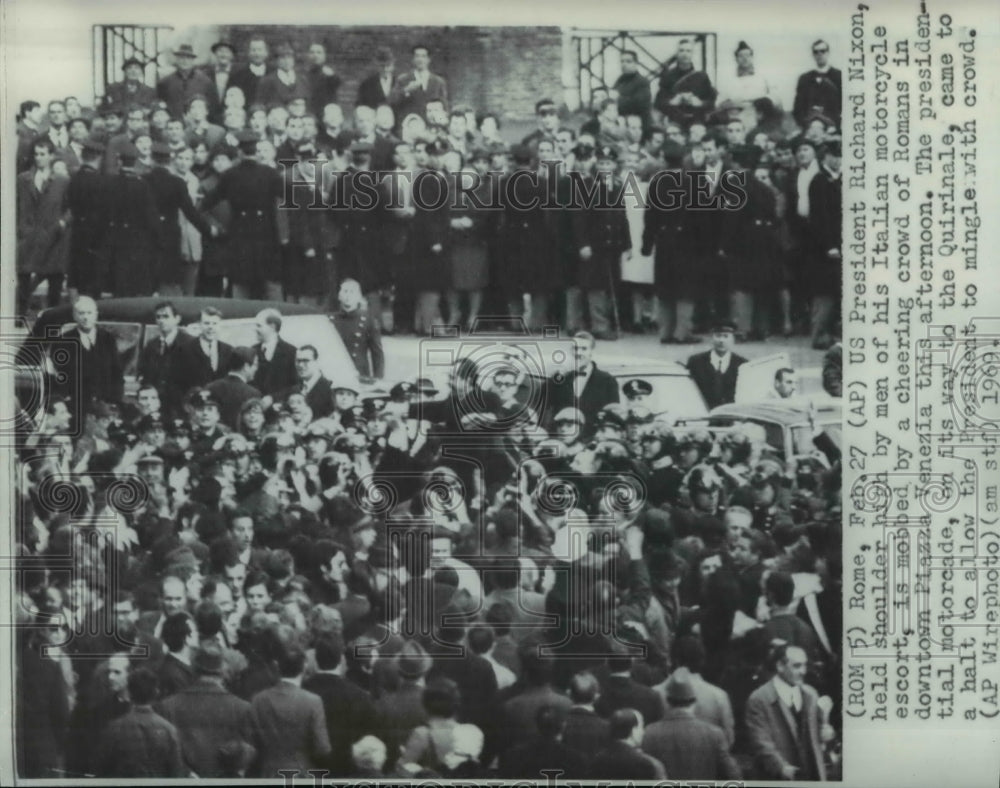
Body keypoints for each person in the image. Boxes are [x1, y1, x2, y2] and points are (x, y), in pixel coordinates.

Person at [200, 130, 285, 300]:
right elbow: (290, 197)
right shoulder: (270, 174)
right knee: (270, 284)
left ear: (239, 152)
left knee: (240, 283)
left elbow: (206, 203)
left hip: (240, 235)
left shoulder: (230, 176)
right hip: (266, 235)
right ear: (257, 151)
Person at [157, 641, 256, 778]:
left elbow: (163, 754)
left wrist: (187, 774)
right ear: (222, 670)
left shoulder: (167, 706)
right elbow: (247, 757)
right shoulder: (242, 708)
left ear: (193, 667)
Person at [569, 145, 632, 339]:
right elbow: (579, 218)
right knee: (594, 285)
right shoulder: (587, 185)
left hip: (611, 245)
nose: (605, 167)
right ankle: (599, 325)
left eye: (609, 163)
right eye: (602, 163)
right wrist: (583, 244)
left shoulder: (618, 185)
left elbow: (622, 217)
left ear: (614, 165)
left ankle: (607, 322)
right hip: (594, 244)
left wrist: (627, 243)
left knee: (609, 284)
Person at [745, 643, 831, 781]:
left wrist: (826, 732)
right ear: (780, 666)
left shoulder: (810, 694)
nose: (803, 671)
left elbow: (819, 734)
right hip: (777, 778)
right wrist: (781, 768)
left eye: (805, 665)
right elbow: (760, 742)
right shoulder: (759, 699)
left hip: (810, 776)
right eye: (797, 666)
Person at [249, 641, 331, 777]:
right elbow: (322, 747)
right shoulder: (313, 701)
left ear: (277, 666)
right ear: (304, 667)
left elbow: (251, 742)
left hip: (267, 772)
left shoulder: (258, 699)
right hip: (301, 773)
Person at [641, 671, 740, 780]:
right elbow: (732, 774)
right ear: (694, 702)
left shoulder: (649, 733)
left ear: (668, 701)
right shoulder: (714, 733)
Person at [145, 141, 212, 294]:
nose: (183, 162)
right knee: (170, 281)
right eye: (180, 158)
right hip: (174, 234)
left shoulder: (194, 181)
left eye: (187, 159)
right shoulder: (177, 182)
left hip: (185, 236)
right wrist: (208, 230)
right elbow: (191, 211)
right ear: (171, 160)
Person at [95, 668, 186, 777]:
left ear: (129, 692)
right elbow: (176, 772)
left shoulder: (114, 728)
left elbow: (101, 768)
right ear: (156, 692)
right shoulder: (168, 730)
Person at [16, 137, 70, 314]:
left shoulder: (61, 181)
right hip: (29, 237)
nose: (38, 158)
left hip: (53, 237)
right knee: (24, 282)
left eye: (42, 154)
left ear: (51, 156)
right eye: (36, 154)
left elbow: (71, 208)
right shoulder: (23, 179)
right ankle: (20, 320)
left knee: (54, 283)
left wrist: (62, 223)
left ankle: (52, 323)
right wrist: (21, 229)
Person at [55, 296, 124, 411]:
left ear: (96, 315)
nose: (86, 317)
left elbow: (117, 373)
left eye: (89, 313)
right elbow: (60, 375)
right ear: (74, 316)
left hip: (105, 405)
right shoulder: (64, 341)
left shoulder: (108, 339)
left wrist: (115, 401)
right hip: (75, 406)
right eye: (81, 313)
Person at [546, 331, 620, 428]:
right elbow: (541, 402)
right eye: (575, 348)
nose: (578, 353)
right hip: (562, 437)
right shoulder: (561, 379)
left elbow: (613, 416)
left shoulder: (607, 381)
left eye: (584, 349)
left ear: (592, 352)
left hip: (592, 438)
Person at [807, 141, 842, 349]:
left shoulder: (842, 179)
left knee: (838, 290)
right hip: (825, 248)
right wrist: (829, 245)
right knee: (824, 292)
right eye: (834, 155)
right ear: (825, 157)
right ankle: (819, 334)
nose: (838, 160)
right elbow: (820, 217)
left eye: (840, 156)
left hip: (842, 243)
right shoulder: (819, 181)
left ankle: (834, 333)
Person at [332, 279, 385, 382]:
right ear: (339, 296)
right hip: (335, 372)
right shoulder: (331, 320)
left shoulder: (368, 320)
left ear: (359, 297)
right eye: (345, 291)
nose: (348, 296)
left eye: (352, 292)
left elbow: (377, 353)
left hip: (359, 374)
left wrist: (378, 379)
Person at [589, 708, 666, 779]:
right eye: (641, 727)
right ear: (633, 731)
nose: (643, 732)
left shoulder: (597, 760)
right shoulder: (645, 764)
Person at [654, 38, 716, 126]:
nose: (685, 54)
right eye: (681, 50)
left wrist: (700, 103)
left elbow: (711, 102)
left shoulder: (702, 76)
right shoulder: (667, 76)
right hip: (674, 121)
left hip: (697, 121)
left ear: (692, 54)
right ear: (677, 53)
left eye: (688, 51)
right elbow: (658, 103)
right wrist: (672, 102)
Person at [686, 322, 748, 409]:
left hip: (731, 415)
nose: (721, 340)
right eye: (718, 336)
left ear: (733, 339)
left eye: (726, 336)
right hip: (702, 415)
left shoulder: (742, 364)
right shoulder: (696, 362)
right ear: (711, 338)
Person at [176, 307, 234, 394]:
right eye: (206, 323)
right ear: (199, 324)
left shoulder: (228, 350)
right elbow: (178, 382)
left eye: (214, 323)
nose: (210, 327)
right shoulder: (185, 350)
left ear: (219, 325)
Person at [207, 347, 263, 430]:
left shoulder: (210, 387)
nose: (256, 368)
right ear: (246, 366)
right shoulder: (253, 393)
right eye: (255, 365)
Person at [390, 44, 448, 123]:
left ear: (428, 59)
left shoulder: (438, 82)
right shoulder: (403, 80)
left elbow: (445, 106)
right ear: (413, 59)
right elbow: (392, 101)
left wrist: (441, 121)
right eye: (417, 56)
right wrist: (406, 90)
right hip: (410, 125)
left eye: (423, 56)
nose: (420, 59)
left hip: (432, 125)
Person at [158, 44, 214, 120]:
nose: (185, 61)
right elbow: (160, 105)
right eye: (181, 57)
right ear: (177, 59)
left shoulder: (205, 82)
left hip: (197, 124)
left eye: (188, 58)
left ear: (193, 60)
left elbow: (212, 107)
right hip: (174, 125)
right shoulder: (165, 82)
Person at [793, 40, 842, 128]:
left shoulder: (839, 76)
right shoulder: (804, 79)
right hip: (809, 127)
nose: (819, 54)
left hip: (833, 128)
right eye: (816, 52)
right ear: (813, 55)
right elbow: (798, 108)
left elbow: (844, 105)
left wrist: (836, 126)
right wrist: (805, 125)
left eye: (823, 51)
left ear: (828, 53)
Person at [252, 308, 298, 396]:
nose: (254, 329)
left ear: (272, 327)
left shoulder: (291, 352)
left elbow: (295, 386)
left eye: (259, 325)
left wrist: (273, 398)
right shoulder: (252, 350)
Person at [229, 37, 271, 108]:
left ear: (266, 53)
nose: (257, 53)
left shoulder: (274, 73)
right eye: (253, 50)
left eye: (260, 50)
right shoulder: (238, 76)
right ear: (248, 53)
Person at [613, 50, 651, 124]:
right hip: (623, 122)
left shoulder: (642, 82)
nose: (624, 64)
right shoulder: (620, 80)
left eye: (628, 61)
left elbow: (639, 105)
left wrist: (617, 98)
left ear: (636, 63)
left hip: (639, 124)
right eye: (622, 61)